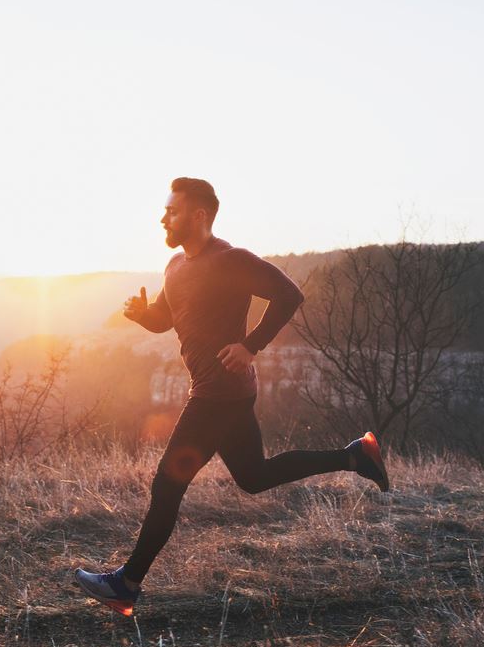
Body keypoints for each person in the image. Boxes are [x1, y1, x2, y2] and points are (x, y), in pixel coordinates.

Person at [74, 177, 389, 616]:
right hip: (225, 392)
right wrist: (142, 316)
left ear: (199, 215)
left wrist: (251, 345)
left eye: (173, 211)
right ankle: (356, 456)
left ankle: (126, 584)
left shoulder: (231, 260)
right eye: (165, 210)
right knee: (254, 476)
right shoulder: (175, 267)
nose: (163, 217)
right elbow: (166, 319)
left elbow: (289, 294)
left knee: (167, 483)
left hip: (218, 393)